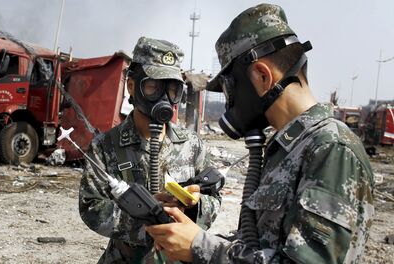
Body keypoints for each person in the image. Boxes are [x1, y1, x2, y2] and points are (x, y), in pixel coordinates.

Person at [145, 3, 375, 263]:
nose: (231, 105)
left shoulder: (331, 150)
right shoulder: (291, 147)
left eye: (230, 90)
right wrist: (189, 234)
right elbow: (261, 244)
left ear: (262, 76)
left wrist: (201, 247)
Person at [79, 37, 222, 263]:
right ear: (132, 86)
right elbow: (91, 206)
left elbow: (214, 197)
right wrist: (146, 221)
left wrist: (193, 209)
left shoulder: (192, 144)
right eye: (153, 87)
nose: (164, 97)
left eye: (172, 89)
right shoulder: (105, 146)